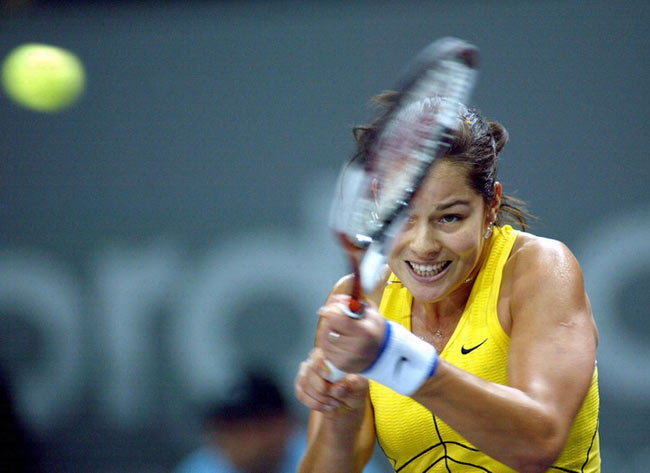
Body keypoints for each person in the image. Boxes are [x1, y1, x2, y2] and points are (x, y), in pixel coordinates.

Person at [294, 93, 601, 473]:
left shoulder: (537, 269)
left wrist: (394, 357)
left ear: (491, 206)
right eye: (402, 217)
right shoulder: (358, 299)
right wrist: (343, 413)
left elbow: (537, 443)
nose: (423, 246)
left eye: (449, 218)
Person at [173, 369, 305, 473]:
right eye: (221, 428)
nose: (226, 441)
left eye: (239, 428)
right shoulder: (203, 467)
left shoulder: (319, 457)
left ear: (281, 425)